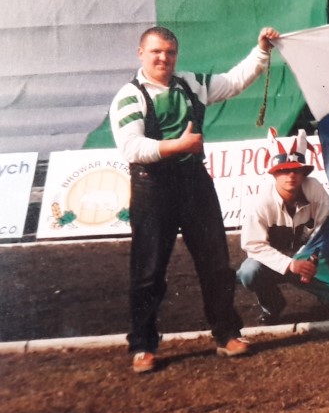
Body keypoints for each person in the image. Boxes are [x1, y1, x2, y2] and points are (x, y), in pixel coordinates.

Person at [110, 24, 280, 374]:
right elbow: (132, 147)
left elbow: (233, 82)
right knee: (148, 272)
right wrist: (179, 145)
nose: (164, 58)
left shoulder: (191, 83)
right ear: (141, 54)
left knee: (216, 264)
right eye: (156, 52)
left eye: (170, 52)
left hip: (193, 183)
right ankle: (143, 347)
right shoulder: (129, 96)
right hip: (152, 187)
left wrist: (261, 50)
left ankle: (227, 335)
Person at [238, 131, 329, 324]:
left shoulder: (314, 188)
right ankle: (272, 305)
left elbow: (327, 227)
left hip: (308, 259)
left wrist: (312, 258)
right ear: (274, 173)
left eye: (296, 170)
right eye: (284, 170)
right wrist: (289, 264)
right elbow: (252, 245)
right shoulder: (261, 201)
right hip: (275, 264)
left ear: (303, 173)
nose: (291, 175)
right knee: (248, 272)